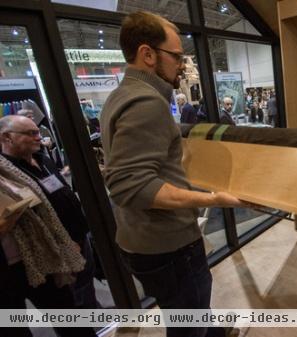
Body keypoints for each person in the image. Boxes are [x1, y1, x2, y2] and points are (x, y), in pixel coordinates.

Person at [99, 11, 247, 337]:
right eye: (176, 55)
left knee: (192, 310)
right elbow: (130, 186)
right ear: (147, 54)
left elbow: (142, 162)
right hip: (168, 248)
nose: (182, 64)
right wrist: (213, 198)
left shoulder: (120, 96)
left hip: (145, 241)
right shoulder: (146, 102)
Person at [0, 120, 96, 337]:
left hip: (59, 249)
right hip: (23, 263)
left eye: (37, 132)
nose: (38, 137)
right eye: (30, 133)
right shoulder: (9, 171)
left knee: (73, 315)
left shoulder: (43, 160)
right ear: (7, 138)